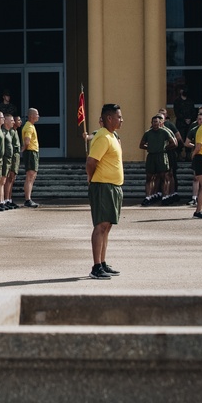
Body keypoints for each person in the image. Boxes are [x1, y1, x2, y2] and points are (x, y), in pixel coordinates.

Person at [86, 103, 124, 279]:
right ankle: (95, 267)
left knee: (107, 227)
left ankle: (102, 262)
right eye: (119, 117)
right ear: (109, 118)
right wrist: (93, 179)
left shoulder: (112, 136)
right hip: (103, 186)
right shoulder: (102, 137)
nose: (121, 120)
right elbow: (91, 162)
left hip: (113, 187)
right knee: (100, 226)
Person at [138, 114, 176, 206]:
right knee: (149, 177)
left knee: (164, 177)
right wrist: (150, 147)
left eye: (157, 122)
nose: (155, 124)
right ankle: (148, 197)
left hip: (161, 156)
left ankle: (165, 197)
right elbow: (141, 145)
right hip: (151, 156)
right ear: (151, 123)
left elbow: (174, 143)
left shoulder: (164, 132)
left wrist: (165, 148)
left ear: (160, 123)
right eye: (154, 122)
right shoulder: (148, 133)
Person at [22, 108, 41, 207]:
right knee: (30, 176)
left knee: (33, 176)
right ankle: (27, 199)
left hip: (33, 152)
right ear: (31, 116)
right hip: (30, 152)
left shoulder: (31, 126)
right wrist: (23, 150)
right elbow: (27, 141)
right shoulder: (29, 127)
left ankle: (28, 198)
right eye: (36, 114)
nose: (38, 116)